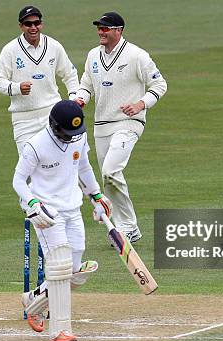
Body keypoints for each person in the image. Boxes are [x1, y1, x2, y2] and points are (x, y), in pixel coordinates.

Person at [12, 100, 112, 341]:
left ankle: (34, 298)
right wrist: (33, 204)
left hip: (73, 208)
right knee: (60, 267)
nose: (70, 139)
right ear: (54, 126)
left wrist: (96, 195)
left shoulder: (78, 138)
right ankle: (59, 330)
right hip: (47, 213)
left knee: (75, 270)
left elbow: (84, 167)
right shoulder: (35, 146)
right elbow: (18, 180)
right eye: (66, 134)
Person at [74, 11, 167, 243]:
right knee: (108, 178)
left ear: (119, 31)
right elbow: (86, 84)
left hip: (129, 122)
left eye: (105, 28)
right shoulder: (93, 55)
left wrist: (140, 104)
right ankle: (125, 226)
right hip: (101, 124)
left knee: (110, 171)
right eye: (99, 28)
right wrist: (80, 99)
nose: (100, 32)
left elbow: (160, 84)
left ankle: (128, 226)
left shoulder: (137, 55)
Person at [0, 5, 79, 154]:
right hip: (23, 120)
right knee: (29, 170)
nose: (33, 27)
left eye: (36, 23)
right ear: (21, 26)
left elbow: (70, 75)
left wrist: (73, 100)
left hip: (52, 116)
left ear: (41, 24)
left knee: (60, 162)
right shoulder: (10, 50)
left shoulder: (54, 46)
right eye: (28, 24)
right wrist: (17, 88)